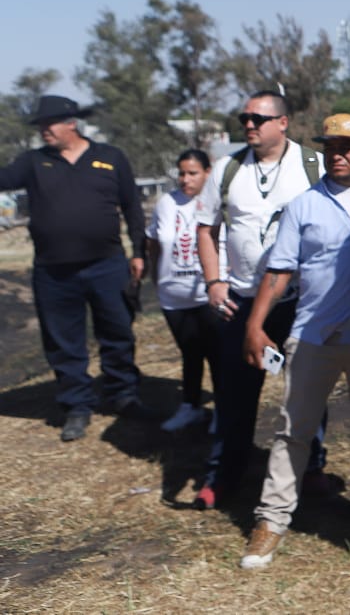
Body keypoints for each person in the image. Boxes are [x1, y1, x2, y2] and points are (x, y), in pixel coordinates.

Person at [239, 114, 350, 570]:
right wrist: (256, 323)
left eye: (348, 146)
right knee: (292, 431)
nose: (337, 154)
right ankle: (272, 520)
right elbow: (281, 269)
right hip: (313, 334)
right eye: (330, 146)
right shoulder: (304, 205)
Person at [194, 90, 327, 509]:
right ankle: (226, 472)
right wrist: (214, 282)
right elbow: (205, 228)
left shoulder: (312, 167)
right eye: (244, 119)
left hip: (298, 305)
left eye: (258, 118)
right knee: (236, 392)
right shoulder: (226, 170)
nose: (249, 125)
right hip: (243, 306)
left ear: (283, 122)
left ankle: (312, 467)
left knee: (303, 389)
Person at [0, 95, 151, 441]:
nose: (43, 131)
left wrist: (139, 251)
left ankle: (123, 394)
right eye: (40, 125)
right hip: (54, 272)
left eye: (48, 124)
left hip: (108, 265)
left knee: (117, 332)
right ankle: (76, 406)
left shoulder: (110, 158)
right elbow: (3, 178)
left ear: (71, 123)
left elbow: (132, 207)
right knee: (63, 341)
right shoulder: (34, 162)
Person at [146, 149, 218, 433]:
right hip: (173, 296)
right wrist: (155, 277)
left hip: (206, 294)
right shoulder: (166, 202)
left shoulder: (216, 203)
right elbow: (154, 241)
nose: (185, 179)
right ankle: (190, 407)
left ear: (207, 173)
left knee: (217, 355)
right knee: (190, 352)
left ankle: (224, 409)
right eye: (182, 173)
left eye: (193, 173)